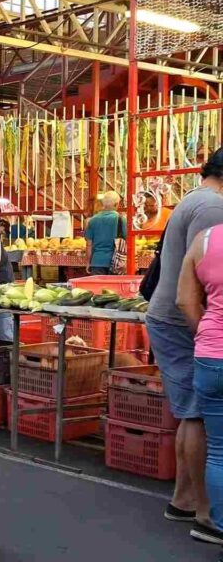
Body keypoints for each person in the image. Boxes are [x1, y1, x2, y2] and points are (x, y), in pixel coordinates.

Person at [147, 148, 223, 539]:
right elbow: (206, 277)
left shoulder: (196, 198)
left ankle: (183, 499)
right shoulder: (212, 208)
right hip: (184, 320)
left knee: (189, 412)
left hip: (171, 317)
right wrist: (206, 331)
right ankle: (207, 514)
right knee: (198, 416)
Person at [177, 222, 223, 550]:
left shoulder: (204, 239)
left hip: (211, 357)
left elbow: (184, 300)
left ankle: (219, 528)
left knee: (219, 452)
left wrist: (205, 334)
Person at [85, 191, 126, 275]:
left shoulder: (92, 220)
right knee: (114, 288)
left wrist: (88, 262)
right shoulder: (122, 219)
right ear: (116, 204)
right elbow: (128, 240)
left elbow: (89, 244)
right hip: (117, 262)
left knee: (97, 287)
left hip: (97, 262)